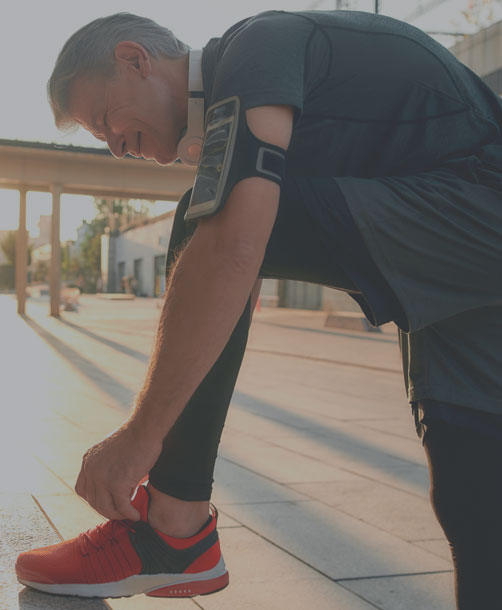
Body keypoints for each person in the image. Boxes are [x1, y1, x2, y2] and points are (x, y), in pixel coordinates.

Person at [15, 10, 502, 608]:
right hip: (460, 257)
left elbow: (235, 246)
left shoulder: (255, 48)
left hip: (479, 202)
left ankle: (175, 528)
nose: (115, 148)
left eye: (104, 121)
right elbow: (232, 274)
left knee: (207, 213)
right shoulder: (244, 113)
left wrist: (142, 437)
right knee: (473, 495)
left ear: (135, 59)